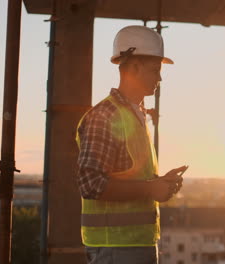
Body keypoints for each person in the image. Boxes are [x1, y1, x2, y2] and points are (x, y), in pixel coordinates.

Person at [75, 25, 188, 264]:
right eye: (155, 70)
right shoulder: (105, 116)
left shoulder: (136, 115)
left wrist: (159, 184)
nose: (159, 77)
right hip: (115, 249)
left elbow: (132, 176)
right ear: (135, 67)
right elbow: (91, 184)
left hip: (134, 245)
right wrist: (149, 189)